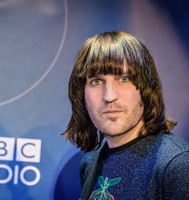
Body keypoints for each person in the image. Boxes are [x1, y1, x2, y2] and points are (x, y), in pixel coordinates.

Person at [62, 31, 189, 199]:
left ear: (146, 88)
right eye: (96, 81)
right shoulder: (90, 164)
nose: (109, 96)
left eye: (123, 79)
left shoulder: (177, 164)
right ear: (81, 94)